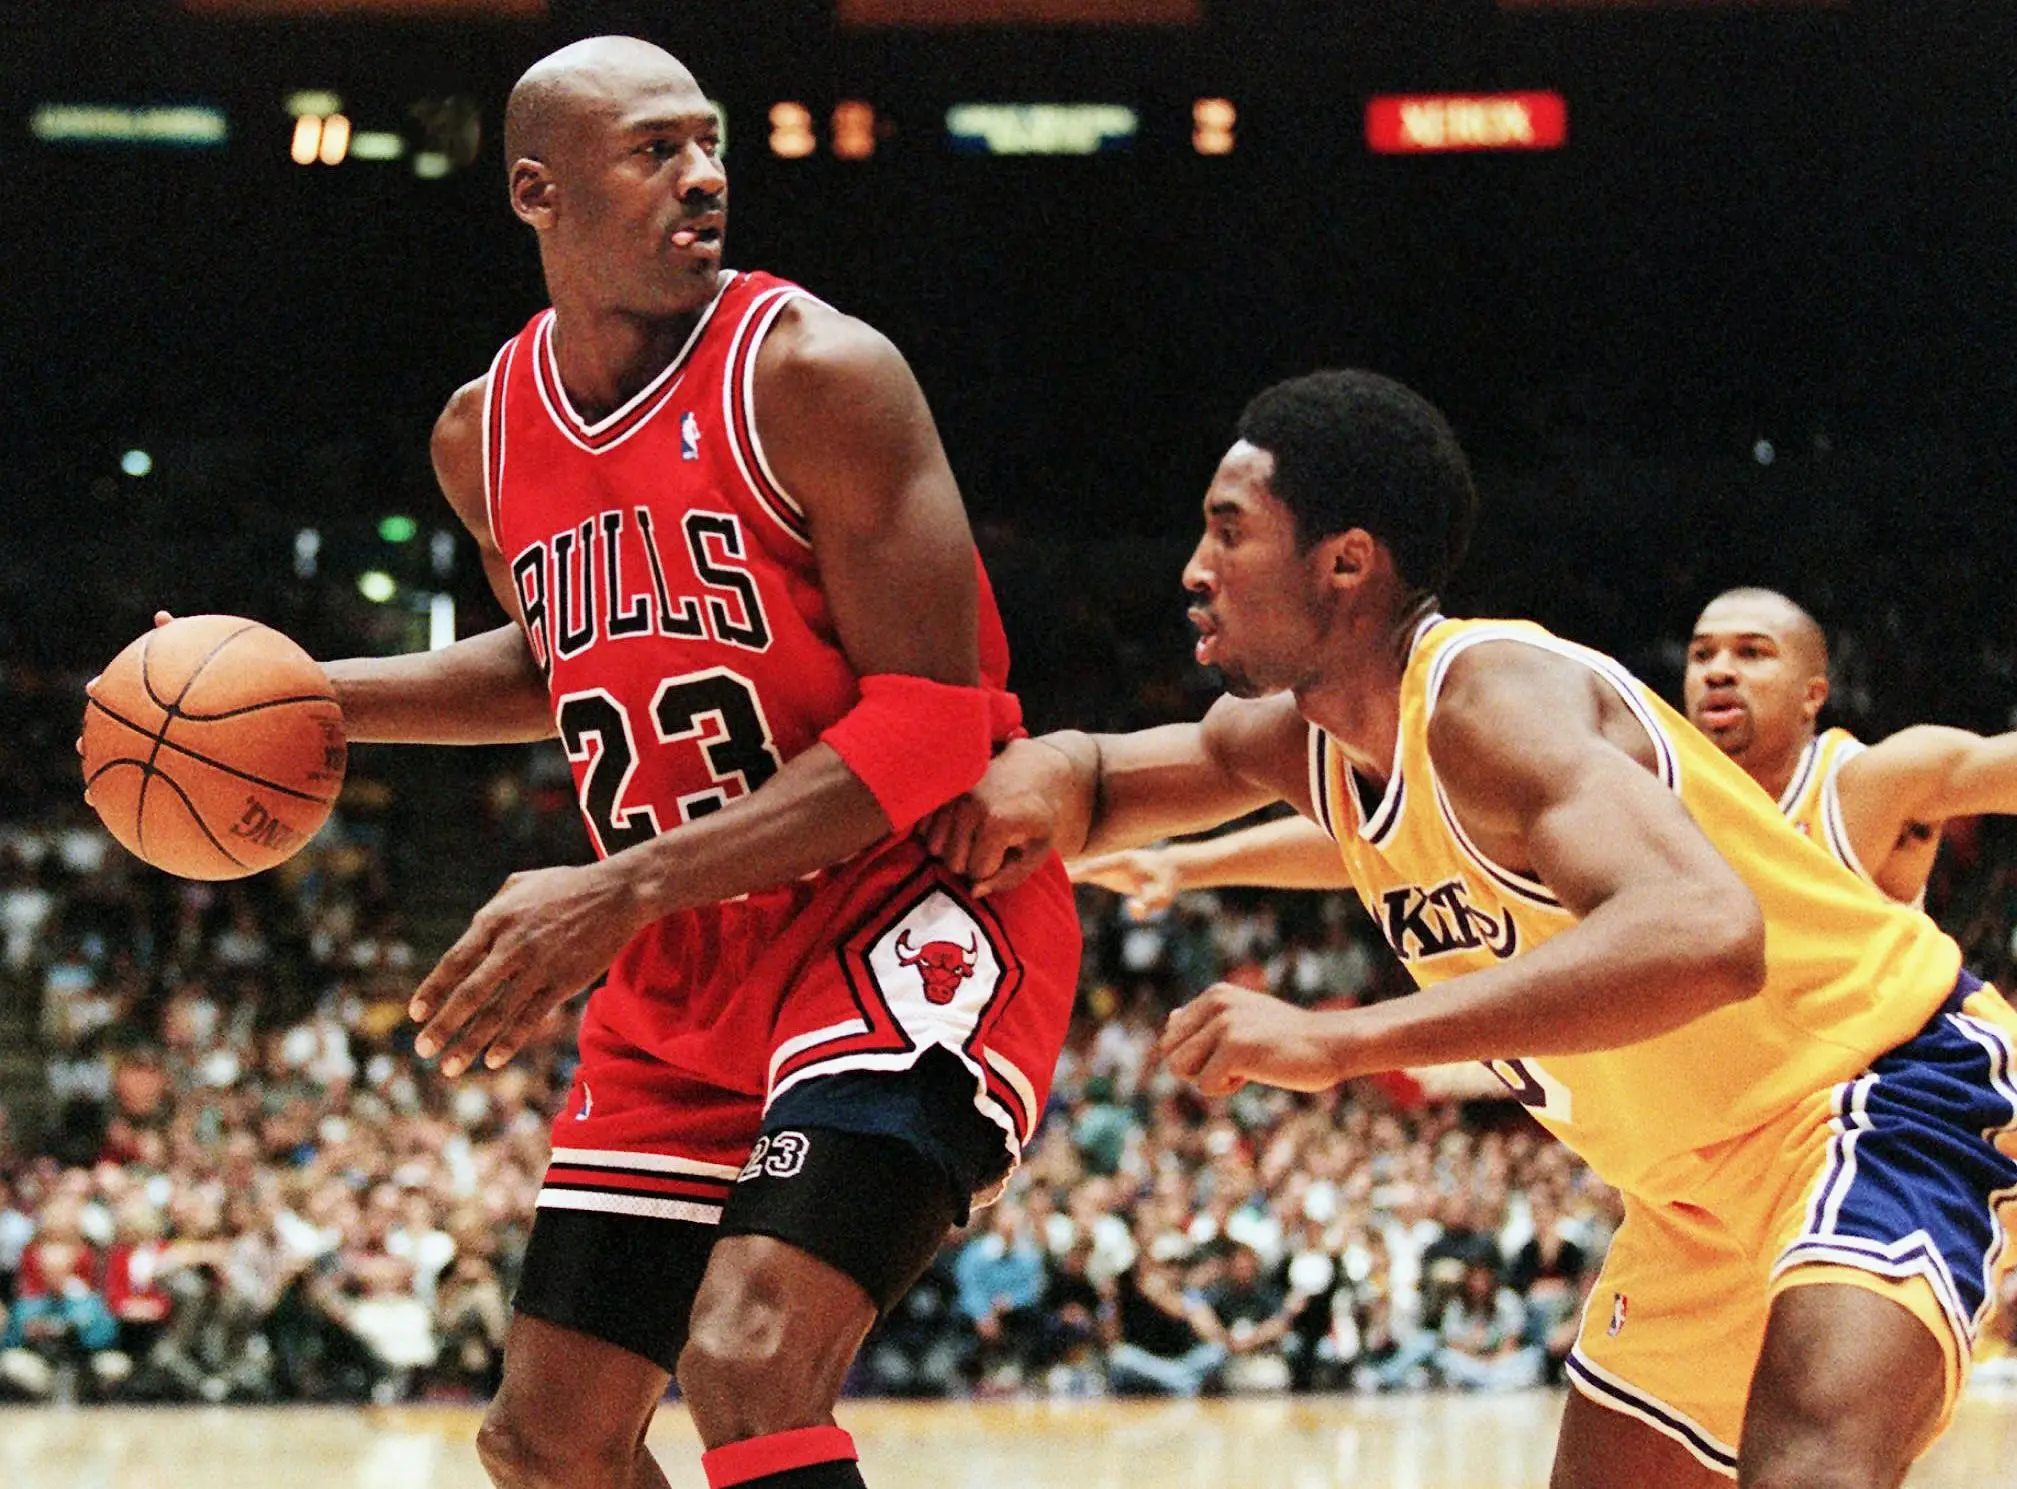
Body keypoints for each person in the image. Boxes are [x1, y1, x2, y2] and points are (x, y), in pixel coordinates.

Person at [119, 36, 1079, 1489]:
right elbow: (561, 656)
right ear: (536, 190)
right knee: (548, 1444)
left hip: (902, 910)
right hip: (689, 957)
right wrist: (301, 699)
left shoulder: (816, 372)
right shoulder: (483, 436)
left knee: (749, 1360)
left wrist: (615, 889)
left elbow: (941, 722)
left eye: (710, 145)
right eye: (654, 151)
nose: (705, 179)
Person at [925, 369, 2017, 1485]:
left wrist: (1341, 1039)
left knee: (1810, 1467)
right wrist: (1018, 780)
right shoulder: (1310, 744)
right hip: (1688, 1189)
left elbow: (1703, 932)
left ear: (1346, 561)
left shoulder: (1491, 700)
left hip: (1878, 1090)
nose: (1193, 572)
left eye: (1229, 533)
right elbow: (1109, 777)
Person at [1076, 585, 2017, 916]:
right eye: (1701, 654)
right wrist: (1187, 864)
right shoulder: (1641, 775)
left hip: (1899, 1099)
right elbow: (1406, 840)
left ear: (1815, 691)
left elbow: (1989, 767)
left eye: (1751, 655)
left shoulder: (1868, 782)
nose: (1719, 671)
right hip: (1752, 1125)